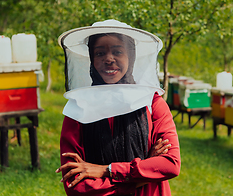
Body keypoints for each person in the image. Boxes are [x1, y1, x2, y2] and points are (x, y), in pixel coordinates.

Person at [56, 20, 181, 196]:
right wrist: (144, 174)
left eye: (117, 51)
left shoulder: (152, 103)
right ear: (91, 59)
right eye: (99, 53)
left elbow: (171, 164)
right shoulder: (77, 109)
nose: (108, 58)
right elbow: (75, 186)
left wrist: (106, 170)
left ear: (131, 56)